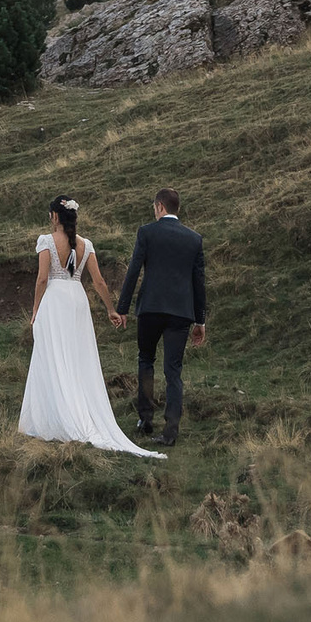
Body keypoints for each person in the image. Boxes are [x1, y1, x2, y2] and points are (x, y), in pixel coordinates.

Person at [17, 195, 161, 457]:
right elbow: (99, 282)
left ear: (56, 217)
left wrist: (36, 308)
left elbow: (40, 280)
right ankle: (76, 408)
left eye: (51, 215)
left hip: (55, 300)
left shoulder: (46, 241)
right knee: (77, 357)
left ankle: (54, 416)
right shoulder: (87, 245)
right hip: (77, 301)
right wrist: (110, 309)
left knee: (51, 355)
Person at [111, 187, 206, 446]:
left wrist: (122, 308)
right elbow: (199, 282)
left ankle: (145, 419)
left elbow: (133, 272)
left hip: (151, 308)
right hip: (181, 313)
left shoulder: (147, 232)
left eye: (154, 207)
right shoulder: (194, 239)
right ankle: (171, 431)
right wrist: (200, 321)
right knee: (173, 371)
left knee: (146, 360)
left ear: (160, 207)